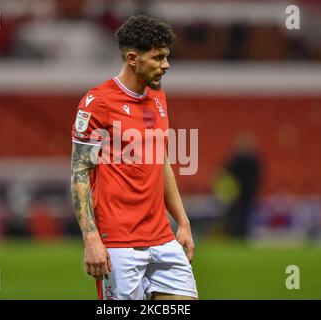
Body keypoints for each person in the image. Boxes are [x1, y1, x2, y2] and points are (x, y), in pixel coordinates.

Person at [70, 14, 198, 300]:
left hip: (162, 238)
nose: (166, 65)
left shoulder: (158, 98)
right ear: (132, 58)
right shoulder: (98, 103)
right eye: (158, 57)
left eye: (167, 56)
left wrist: (183, 222)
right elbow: (79, 173)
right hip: (118, 242)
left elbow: (161, 162)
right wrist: (90, 237)